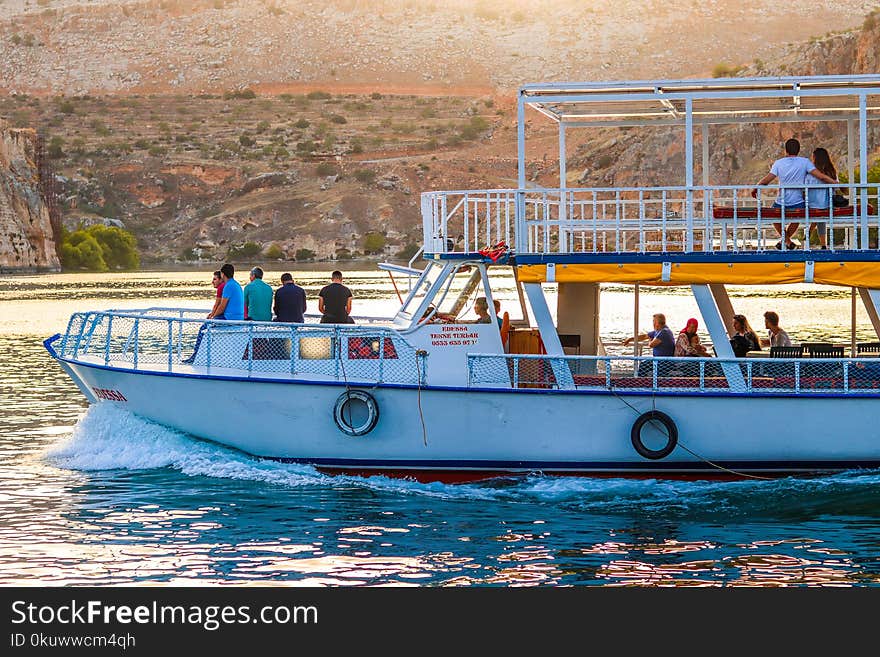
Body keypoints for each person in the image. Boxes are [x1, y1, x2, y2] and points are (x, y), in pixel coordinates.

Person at [752, 138, 837, 249]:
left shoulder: (778, 163)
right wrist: (835, 183)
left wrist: (756, 188)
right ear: (798, 150)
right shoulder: (805, 162)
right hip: (798, 202)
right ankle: (787, 241)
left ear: (785, 150)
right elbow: (820, 176)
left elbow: (767, 180)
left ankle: (786, 241)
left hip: (781, 201)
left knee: (773, 217)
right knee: (796, 219)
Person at [182, 263, 242, 364]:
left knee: (204, 328)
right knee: (209, 325)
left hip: (230, 319)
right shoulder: (236, 284)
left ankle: (196, 355)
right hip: (237, 317)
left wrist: (213, 317)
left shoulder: (228, 286)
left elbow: (222, 307)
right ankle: (203, 354)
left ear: (222, 274)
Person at [805, 147, 840, 249]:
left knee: (819, 212)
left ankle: (810, 232)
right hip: (827, 204)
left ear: (815, 158)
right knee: (821, 213)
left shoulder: (810, 174)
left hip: (811, 204)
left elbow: (804, 189)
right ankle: (823, 244)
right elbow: (836, 188)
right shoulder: (832, 172)